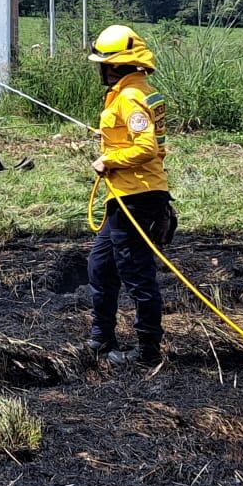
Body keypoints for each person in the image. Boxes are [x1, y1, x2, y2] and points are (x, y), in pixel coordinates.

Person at [85, 24, 172, 367]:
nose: (100, 70)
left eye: (103, 64)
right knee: (101, 264)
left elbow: (146, 148)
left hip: (138, 197)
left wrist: (109, 159)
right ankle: (101, 336)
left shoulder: (131, 96)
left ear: (118, 65)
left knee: (136, 272)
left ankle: (147, 351)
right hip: (126, 195)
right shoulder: (128, 94)